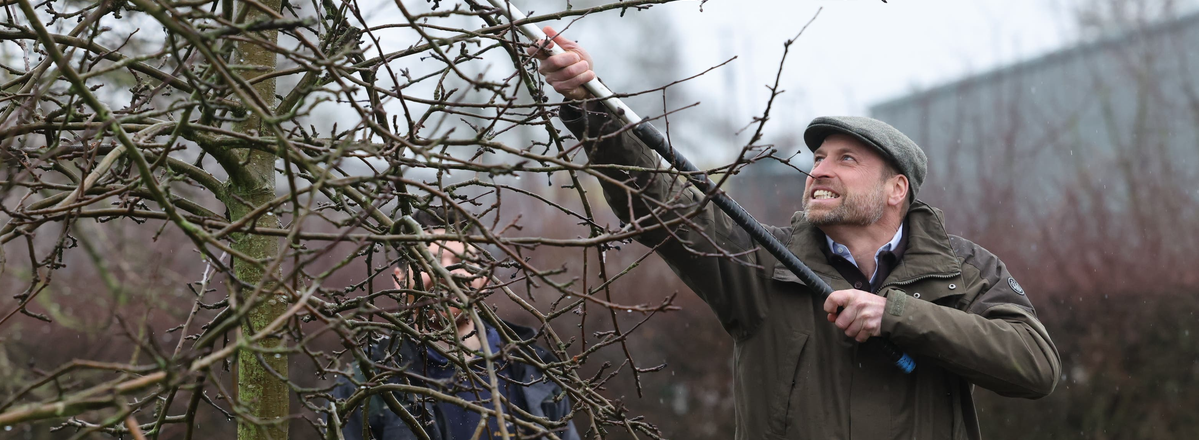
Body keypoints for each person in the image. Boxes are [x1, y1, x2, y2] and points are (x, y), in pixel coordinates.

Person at [530, 28, 1060, 440]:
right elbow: (660, 201)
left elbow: (1035, 367)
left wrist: (898, 316)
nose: (819, 170)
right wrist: (590, 106)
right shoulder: (761, 260)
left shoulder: (964, 271)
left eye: (846, 159)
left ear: (896, 189)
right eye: (819, 158)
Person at [330, 209, 580, 440]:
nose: (447, 273)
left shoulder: (535, 371)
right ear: (400, 280)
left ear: (485, 279)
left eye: (462, 261)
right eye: (428, 260)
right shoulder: (366, 381)